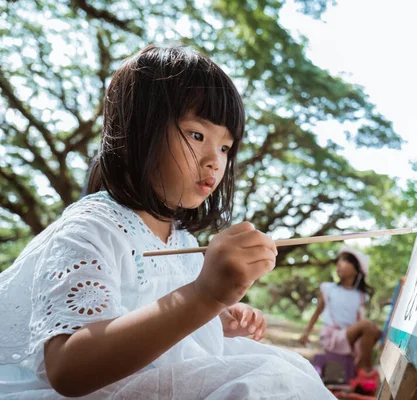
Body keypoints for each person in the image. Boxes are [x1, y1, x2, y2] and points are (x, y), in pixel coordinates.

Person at [0, 45, 334, 399]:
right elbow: (68, 369)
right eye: (197, 135)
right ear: (138, 131)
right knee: (262, 381)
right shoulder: (90, 228)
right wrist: (203, 296)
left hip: (146, 379)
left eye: (225, 148)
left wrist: (217, 314)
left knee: (283, 369)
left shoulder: (184, 241)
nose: (214, 162)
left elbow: (157, 310)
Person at [299, 246, 382, 393]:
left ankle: (360, 370)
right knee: (367, 326)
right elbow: (317, 312)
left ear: (356, 270)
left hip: (348, 338)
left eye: (345, 261)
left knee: (376, 331)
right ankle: (366, 372)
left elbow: (359, 322)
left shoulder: (360, 296)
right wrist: (306, 333)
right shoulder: (328, 288)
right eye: (338, 261)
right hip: (332, 337)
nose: (338, 264)